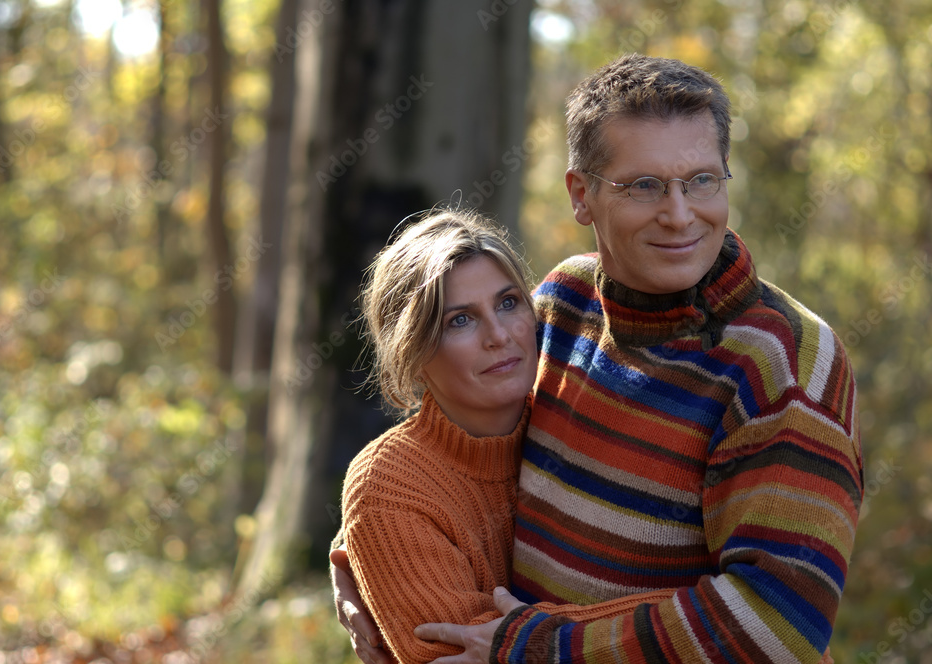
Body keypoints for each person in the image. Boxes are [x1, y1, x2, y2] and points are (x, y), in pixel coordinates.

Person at [335, 53, 862, 664]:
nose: (680, 213)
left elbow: (778, 628)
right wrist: (363, 549)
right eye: (644, 186)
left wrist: (538, 645)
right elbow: (461, 433)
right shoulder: (566, 303)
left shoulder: (784, 361)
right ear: (581, 195)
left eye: (702, 180)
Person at [338, 209, 675, 664]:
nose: (499, 335)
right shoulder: (391, 487)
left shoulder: (573, 419)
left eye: (508, 303)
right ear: (411, 351)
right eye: (460, 320)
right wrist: (696, 614)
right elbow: (457, 652)